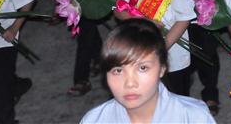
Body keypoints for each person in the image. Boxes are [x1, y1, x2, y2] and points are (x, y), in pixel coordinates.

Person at [80, 18, 215, 124]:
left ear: (162, 68)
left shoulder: (194, 118)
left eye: (142, 68)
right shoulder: (94, 121)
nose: (130, 83)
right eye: (118, 70)